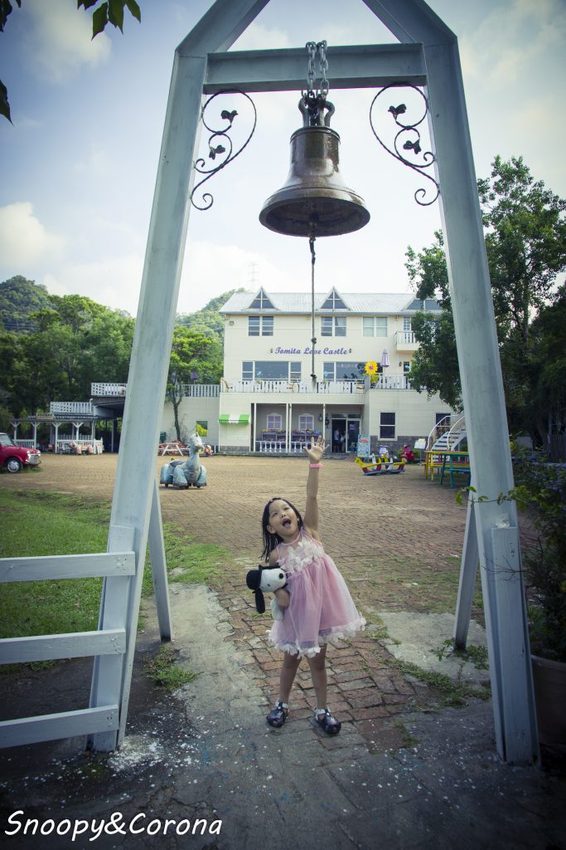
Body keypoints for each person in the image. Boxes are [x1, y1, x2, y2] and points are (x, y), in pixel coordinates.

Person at [260, 436, 365, 735]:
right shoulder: (276, 555)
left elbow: (312, 496)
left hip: (320, 612)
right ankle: (282, 704)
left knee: (318, 663)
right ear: (271, 527)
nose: (283, 514)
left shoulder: (311, 533)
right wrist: (279, 592)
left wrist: (314, 464)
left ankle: (322, 709)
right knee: (290, 661)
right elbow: (270, 582)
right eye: (275, 514)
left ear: (296, 514)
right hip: (295, 615)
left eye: (286, 509)